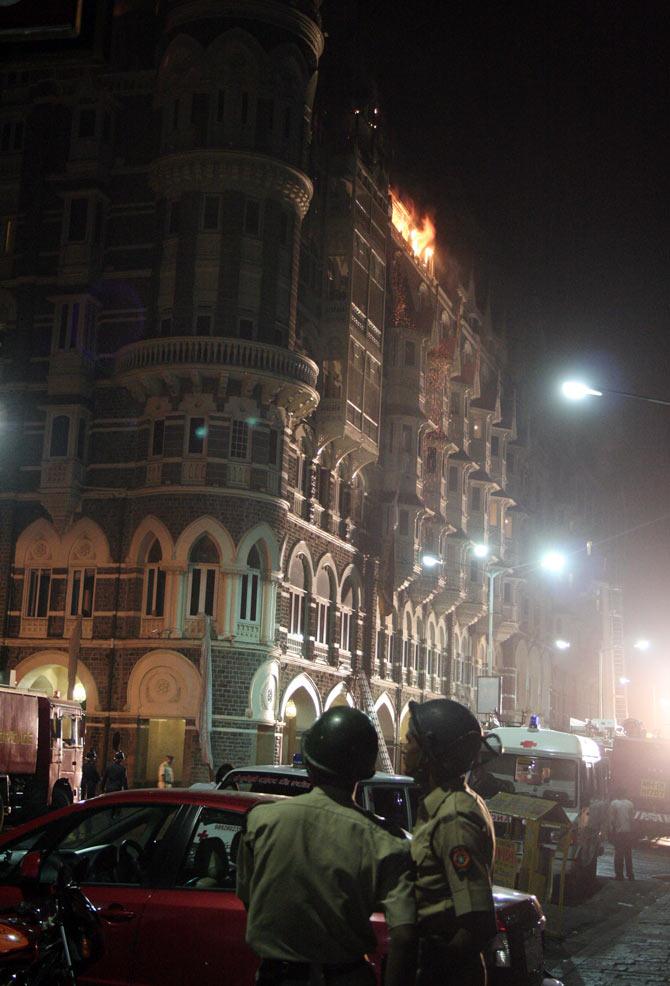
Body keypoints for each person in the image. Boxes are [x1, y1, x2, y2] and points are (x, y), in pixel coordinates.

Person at [236, 706, 417, 986]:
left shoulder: (261, 821)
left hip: (277, 976)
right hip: (346, 976)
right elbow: (404, 935)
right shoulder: (385, 841)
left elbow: (249, 897)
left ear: (309, 764)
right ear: (365, 771)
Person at [403, 699, 497, 986]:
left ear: (433, 752)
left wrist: (438, 968)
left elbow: (478, 922)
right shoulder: (443, 805)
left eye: (410, 739)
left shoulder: (454, 817)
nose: (405, 747)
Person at [609, 788, 635, 880]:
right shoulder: (630, 804)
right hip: (628, 832)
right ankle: (630, 874)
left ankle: (619, 875)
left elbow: (612, 819)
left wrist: (610, 831)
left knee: (618, 854)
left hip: (618, 833)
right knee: (628, 854)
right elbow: (632, 819)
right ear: (625, 794)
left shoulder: (614, 803)